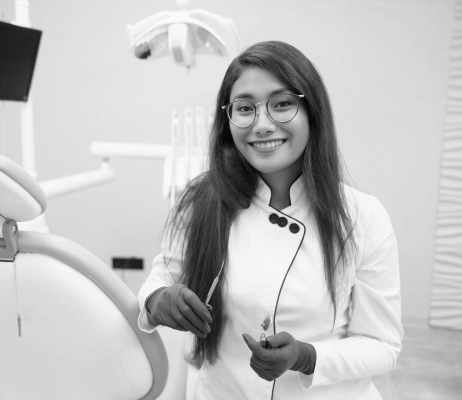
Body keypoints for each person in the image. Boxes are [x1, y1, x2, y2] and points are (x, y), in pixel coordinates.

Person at [137, 41, 403, 400]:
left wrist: (308, 357)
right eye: (244, 108)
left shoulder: (361, 217)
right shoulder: (201, 201)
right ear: (228, 119)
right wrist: (157, 301)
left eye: (282, 104)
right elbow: (158, 281)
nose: (261, 125)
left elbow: (383, 345)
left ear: (312, 111)